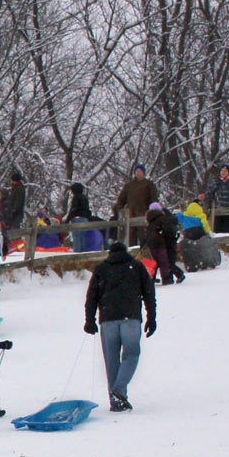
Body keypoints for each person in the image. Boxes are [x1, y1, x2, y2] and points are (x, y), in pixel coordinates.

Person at [84, 240, 156, 412]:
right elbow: (149, 293)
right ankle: (120, 388)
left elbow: (91, 296)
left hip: (108, 319)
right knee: (131, 354)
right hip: (130, 317)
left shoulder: (102, 268)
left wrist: (89, 320)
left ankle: (115, 401)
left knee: (111, 360)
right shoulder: (137, 267)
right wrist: (151, 318)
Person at [144, 203, 186, 285]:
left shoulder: (150, 220)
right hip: (164, 242)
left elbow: (148, 233)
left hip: (154, 243)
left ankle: (153, 279)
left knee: (158, 262)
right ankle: (169, 278)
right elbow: (169, 231)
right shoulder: (163, 218)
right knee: (166, 262)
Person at [115, 165, 158, 245]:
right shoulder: (129, 186)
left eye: (140, 171)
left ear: (143, 173)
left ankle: (145, 254)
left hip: (144, 215)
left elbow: (154, 199)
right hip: (130, 215)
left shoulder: (148, 184)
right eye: (136, 171)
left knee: (144, 239)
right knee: (131, 240)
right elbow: (120, 200)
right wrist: (121, 211)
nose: (138, 173)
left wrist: (152, 212)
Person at [204, 166, 229, 235]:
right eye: (222, 170)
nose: (223, 172)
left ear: (228, 173)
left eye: (225, 171)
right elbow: (208, 195)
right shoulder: (216, 183)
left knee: (227, 233)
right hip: (217, 212)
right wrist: (207, 206)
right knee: (217, 233)